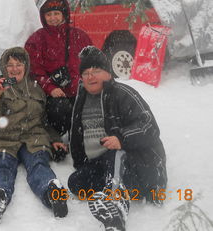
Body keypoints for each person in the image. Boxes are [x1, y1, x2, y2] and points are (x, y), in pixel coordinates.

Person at [68, 46, 167, 231]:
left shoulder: (122, 93)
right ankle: (111, 191)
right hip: (103, 164)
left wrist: (122, 139)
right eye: (86, 73)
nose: (91, 77)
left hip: (142, 165)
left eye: (96, 71)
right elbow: (77, 136)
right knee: (76, 183)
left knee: (115, 153)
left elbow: (149, 126)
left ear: (108, 74)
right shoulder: (81, 99)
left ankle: (116, 208)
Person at [0, 47, 68, 223]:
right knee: (2, 165)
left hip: (33, 136)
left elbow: (43, 121)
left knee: (38, 163)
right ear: (4, 67)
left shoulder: (35, 88)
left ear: (25, 66)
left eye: (18, 64)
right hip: (4, 137)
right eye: (10, 65)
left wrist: (55, 139)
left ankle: (52, 192)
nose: (14, 69)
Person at [25, 0, 92, 159]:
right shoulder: (37, 38)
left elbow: (93, 62)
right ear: (43, 17)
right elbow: (34, 69)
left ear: (64, 15)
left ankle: (83, 141)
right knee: (60, 109)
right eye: (49, 15)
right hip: (55, 95)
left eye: (56, 13)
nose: (53, 18)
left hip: (80, 90)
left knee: (86, 111)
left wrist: (87, 84)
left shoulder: (79, 36)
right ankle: (57, 138)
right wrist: (50, 87)